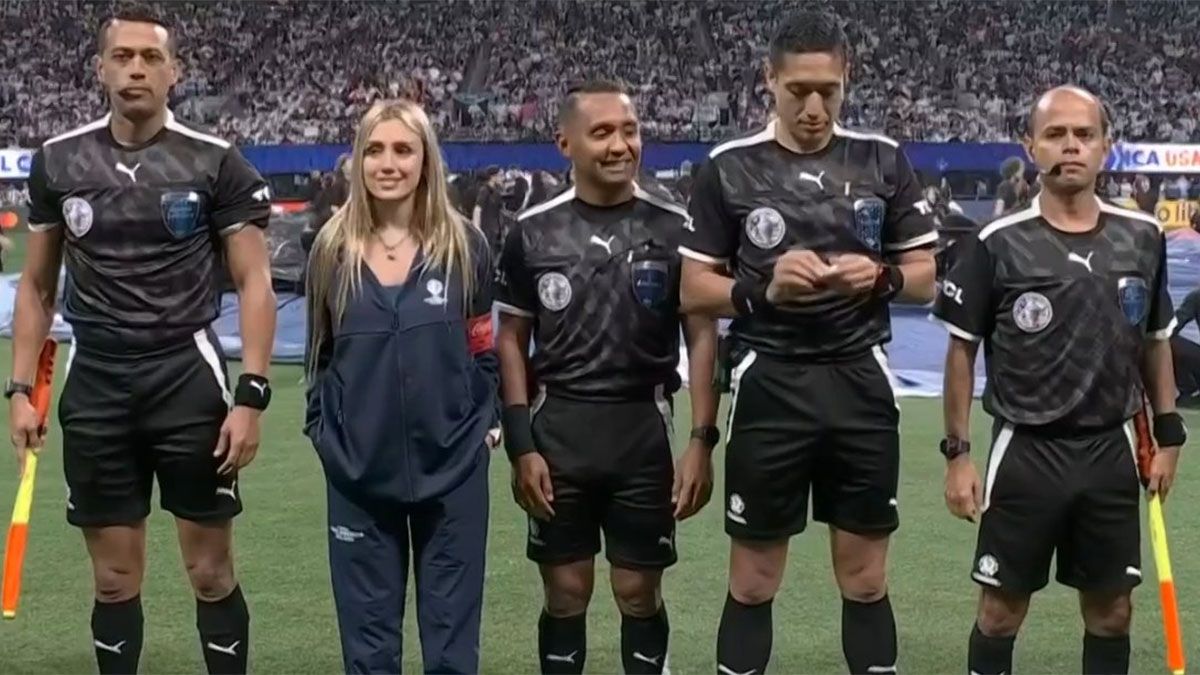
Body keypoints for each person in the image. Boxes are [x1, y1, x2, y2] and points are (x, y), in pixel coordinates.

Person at [7, 6, 275, 674]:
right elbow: (37, 288)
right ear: (100, 68)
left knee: (210, 570)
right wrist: (20, 388)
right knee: (112, 580)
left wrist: (252, 395)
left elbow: (256, 283)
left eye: (150, 57)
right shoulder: (60, 160)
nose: (135, 68)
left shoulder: (216, 162)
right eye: (122, 56)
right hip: (95, 377)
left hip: (187, 376)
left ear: (173, 71)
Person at [677, 11, 938, 674]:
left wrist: (880, 276)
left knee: (865, 578)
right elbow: (692, 289)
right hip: (772, 384)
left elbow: (928, 279)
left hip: (860, 383)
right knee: (754, 579)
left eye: (829, 89)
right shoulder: (728, 168)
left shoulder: (882, 158)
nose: (815, 106)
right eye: (799, 90)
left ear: (847, 76)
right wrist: (760, 290)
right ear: (770, 79)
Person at [932, 86, 1184, 675]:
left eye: (1083, 135)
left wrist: (1168, 436)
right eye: (1055, 134)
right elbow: (961, 353)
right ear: (1031, 146)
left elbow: (1154, 340)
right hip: (1025, 450)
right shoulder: (996, 242)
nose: (1070, 146)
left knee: (1112, 612)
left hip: (1109, 448)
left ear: (1105, 149)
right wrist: (958, 455)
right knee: (1000, 611)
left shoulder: (1143, 236)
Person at [495, 79, 719, 675]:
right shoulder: (530, 232)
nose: (621, 145)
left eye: (630, 130)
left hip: (643, 431)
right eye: (602, 133)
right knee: (566, 593)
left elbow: (701, 336)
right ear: (565, 143)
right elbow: (511, 341)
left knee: (638, 593)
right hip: (559, 430)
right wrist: (521, 446)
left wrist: (701, 441)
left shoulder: (677, 229)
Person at [303, 98, 499, 674]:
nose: (389, 163)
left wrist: (482, 427)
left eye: (404, 149)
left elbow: (484, 349)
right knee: (368, 654)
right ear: (358, 161)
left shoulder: (465, 247)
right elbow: (319, 358)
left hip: (454, 475)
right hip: (359, 477)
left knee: (452, 653)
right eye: (375, 150)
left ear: (426, 161)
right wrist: (326, 436)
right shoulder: (330, 253)